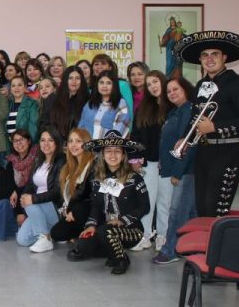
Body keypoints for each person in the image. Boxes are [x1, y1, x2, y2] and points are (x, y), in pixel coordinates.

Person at [173, 30, 239, 218]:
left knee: (215, 208)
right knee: (202, 207)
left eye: (214, 54)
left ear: (224, 57)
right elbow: (195, 118)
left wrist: (215, 127)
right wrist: (185, 139)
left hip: (230, 152)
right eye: (204, 55)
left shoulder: (238, 83)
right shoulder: (201, 85)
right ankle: (205, 246)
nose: (209, 59)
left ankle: (218, 246)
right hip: (204, 152)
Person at [67, 131, 149, 275]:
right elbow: (96, 206)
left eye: (117, 151)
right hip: (105, 228)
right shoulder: (96, 179)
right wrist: (91, 225)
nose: (112, 155)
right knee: (84, 245)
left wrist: (123, 221)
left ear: (123, 155)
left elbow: (144, 206)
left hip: (132, 230)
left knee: (106, 231)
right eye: (108, 151)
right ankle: (112, 253)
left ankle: (122, 259)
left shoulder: (134, 178)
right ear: (102, 155)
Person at [152, 76, 198, 265]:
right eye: (169, 91)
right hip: (176, 169)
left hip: (185, 171)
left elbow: (187, 145)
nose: (171, 93)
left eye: (175, 89)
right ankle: (192, 248)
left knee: (177, 211)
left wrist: (178, 173)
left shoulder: (188, 111)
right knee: (189, 211)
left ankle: (170, 250)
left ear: (186, 89)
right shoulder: (175, 113)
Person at [130, 70, 172, 252]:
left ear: (163, 81)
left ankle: (163, 235)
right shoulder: (143, 108)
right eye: (149, 84)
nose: (153, 86)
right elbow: (135, 134)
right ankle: (145, 235)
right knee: (147, 200)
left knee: (165, 201)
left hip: (168, 164)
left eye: (155, 82)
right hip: (149, 163)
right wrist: (135, 158)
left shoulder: (173, 107)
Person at [15, 130, 65, 252]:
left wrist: (32, 199)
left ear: (57, 143)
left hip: (53, 207)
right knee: (22, 240)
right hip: (37, 208)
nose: (46, 143)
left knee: (30, 202)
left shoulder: (62, 161)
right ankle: (49, 233)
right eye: (43, 140)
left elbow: (57, 192)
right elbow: (30, 185)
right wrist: (24, 196)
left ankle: (46, 238)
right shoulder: (38, 161)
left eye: (50, 140)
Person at [48, 128, 94, 243]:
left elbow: (91, 196)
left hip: (89, 211)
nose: (73, 145)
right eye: (70, 141)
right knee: (56, 233)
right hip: (73, 210)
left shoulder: (93, 166)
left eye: (78, 141)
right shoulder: (68, 167)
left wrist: (74, 210)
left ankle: (91, 231)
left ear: (87, 143)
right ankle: (80, 234)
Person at [78, 69, 130, 138]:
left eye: (108, 83)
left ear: (114, 86)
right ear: (97, 84)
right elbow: (81, 127)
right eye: (101, 82)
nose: (104, 86)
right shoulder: (90, 103)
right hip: (87, 147)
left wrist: (105, 147)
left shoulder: (121, 104)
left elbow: (119, 131)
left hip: (109, 147)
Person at [47, 66, 89, 138]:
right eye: (70, 78)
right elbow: (45, 123)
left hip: (78, 142)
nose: (74, 81)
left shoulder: (88, 100)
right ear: (65, 80)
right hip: (55, 142)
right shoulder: (53, 98)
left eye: (77, 78)